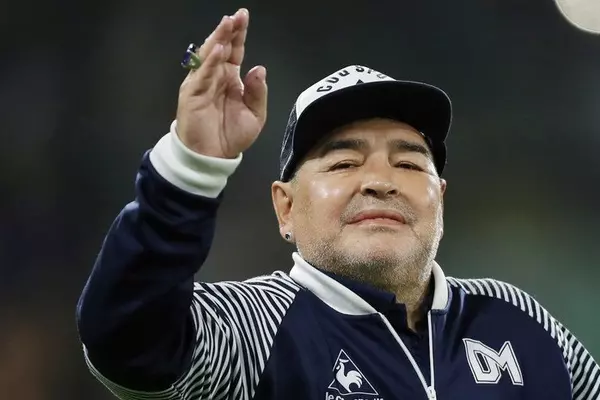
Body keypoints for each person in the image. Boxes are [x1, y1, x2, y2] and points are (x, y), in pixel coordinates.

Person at [76, 7, 599, 400]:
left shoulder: (518, 322)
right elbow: (127, 340)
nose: (381, 182)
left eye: (409, 163)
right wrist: (190, 169)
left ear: (439, 198)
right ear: (285, 208)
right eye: (344, 163)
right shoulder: (255, 329)